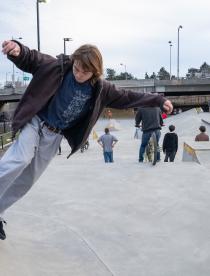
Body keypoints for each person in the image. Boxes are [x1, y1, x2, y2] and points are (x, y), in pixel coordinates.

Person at [0, 39, 173, 240]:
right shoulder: (56, 67)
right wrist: (17, 50)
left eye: (84, 72)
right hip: (35, 122)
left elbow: (127, 97)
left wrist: (159, 100)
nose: (78, 74)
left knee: (27, 180)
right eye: (76, 68)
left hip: (54, 135)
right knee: (19, 160)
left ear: (95, 72)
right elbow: (31, 58)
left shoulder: (102, 89)